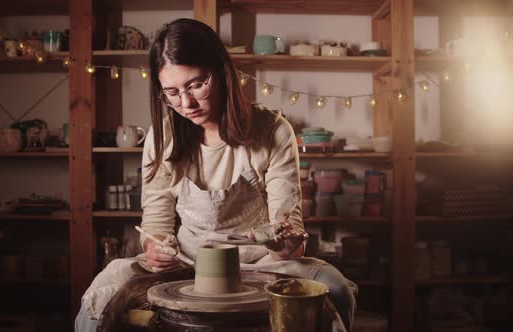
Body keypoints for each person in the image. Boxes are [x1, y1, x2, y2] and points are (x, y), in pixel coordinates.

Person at [75, 18, 356, 332]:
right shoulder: (162, 136)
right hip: (186, 261)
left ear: (222, 71)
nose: (187, 103)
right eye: (172, 92)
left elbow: (288, 223)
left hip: (259, 261)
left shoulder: (273, 130)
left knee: (337, 289)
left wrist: (286, 242)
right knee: (102, 292)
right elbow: (154, 223)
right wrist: (155, 250)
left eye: (197, 84)